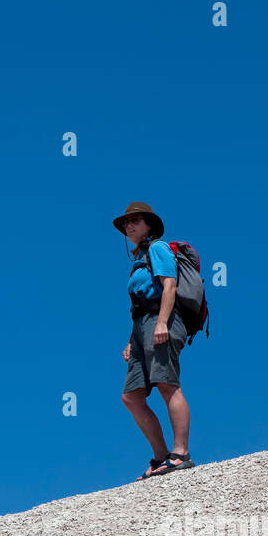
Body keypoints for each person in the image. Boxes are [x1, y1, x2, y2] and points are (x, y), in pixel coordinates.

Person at [112, 201, 196, 480]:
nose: (129, 225)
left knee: (167, 384)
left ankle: (180, 454)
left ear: (149, 225)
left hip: (164, 321)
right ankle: (160, 457)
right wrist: (130, 341)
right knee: (131, 397)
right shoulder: (138, 261)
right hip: (141, 328)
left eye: (135, 220)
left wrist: (162, 322)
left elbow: (169, 286)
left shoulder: (158, 248)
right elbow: (139, 305)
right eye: (126, 222)